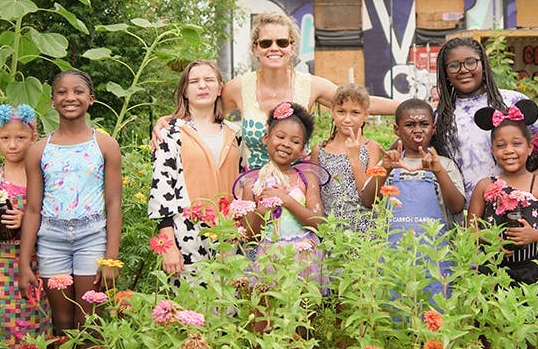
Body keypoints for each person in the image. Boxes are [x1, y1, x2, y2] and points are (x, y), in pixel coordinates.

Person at [153, 11, 397, 168]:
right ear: (255, 49)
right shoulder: (239, 87)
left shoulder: (310, 85)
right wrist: (170, 120)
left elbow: (360, 104)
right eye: (266, 42)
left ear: (292, 48)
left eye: (282, 42)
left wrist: (411, 107)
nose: (274, 48)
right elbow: (205, 115)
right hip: (251, 191)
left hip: (298, 188)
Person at [19, 70, 123, 337]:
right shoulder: (40, 150)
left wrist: (111, 258)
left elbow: (113, 203)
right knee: (62, 323)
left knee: (89, 321)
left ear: (91, 99)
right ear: (52, 101)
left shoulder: (105, 145)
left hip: (92, 239)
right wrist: (23, 265)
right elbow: (32, 209)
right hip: (52, 241)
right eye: (62, 92)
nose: (70, 97)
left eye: (78, 91)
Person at [433, 36, 538, 199]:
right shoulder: (440, 115)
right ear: (445, 73)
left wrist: (529, 188)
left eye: (471, 62)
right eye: (454, 65)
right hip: (465, 214)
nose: (463, 70)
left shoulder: (512, 101)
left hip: (515, 205)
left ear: (483, 65)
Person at [148, 60, 240, 281]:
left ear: (219, 89)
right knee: (191, 308)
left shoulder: (235, 134)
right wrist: (169, 246)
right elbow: (161, 189)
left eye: (209, 80)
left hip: (229, 238)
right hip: (187, 238)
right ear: (185, 92)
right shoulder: (170, 134)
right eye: (194, 81)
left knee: (229, 307)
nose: (202, 86)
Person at [0, 104, 49, 345]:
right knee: (0, 323)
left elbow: (51, 216)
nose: (13, 144)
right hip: (0, 265)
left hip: (34, 263)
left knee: (33, 322)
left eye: (21, 138)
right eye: (6, 138)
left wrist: (26, 220)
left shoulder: (41, 178)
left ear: (33, 139)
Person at [468, 100, 538, 286]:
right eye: (501, 145)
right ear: (493, 150)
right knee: (493, 313)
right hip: (492, 268)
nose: (509, 150)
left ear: (529, 148)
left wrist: (533, 235)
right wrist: (492, 239)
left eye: (517, 143)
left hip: (531, 269)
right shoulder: (484, 186)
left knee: (532, 313)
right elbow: (470, 230)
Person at [234, 102, 328, 289]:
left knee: (301, 311)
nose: (286, 144)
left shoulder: (306, 178)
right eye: (280, 136)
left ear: (302, 149)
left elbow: (319, 224)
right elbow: (250, 236)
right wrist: (261, 210)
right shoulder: (253, 184)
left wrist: (287, 200)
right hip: (267, 257)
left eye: (295, 141)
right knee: (264, 312)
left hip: (303, 258)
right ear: (266, 138)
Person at [382, 98, 466, 299]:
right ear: (397, 129)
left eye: (424, 124)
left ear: (434, 128)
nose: (417, 130)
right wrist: (384, 170)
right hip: (395, 257)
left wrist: (438, 172)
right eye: (410, 125)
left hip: (436, 257)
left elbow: (457, 207)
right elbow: (369, 201)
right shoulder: (389, 164)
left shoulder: (445, 165)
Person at [312, 83, 385, 232]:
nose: (347, 119)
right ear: (332, 112)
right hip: (331, 234)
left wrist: (355, 159)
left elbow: (369, 198)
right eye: (341, 111)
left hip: (364, 234)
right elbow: (314, 194)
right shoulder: (320, 150)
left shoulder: (371, 147)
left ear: (366, 115)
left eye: (355, 113)